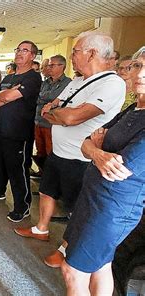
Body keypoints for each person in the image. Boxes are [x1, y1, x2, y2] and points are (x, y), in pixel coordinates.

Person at [15, 32, 126, 268]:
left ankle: (67, 248)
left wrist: (59, 114)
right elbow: (51, 108)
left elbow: (73, 116)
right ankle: (41, 228)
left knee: (76, 208)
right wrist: (59, 114)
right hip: (59, 153)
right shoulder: (77, 81)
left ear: (92, 53)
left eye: (75, 52)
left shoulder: (111, 83)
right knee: (47, 191)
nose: (72, 57)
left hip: (82, 158)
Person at [60, 47, 144, 295]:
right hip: (93, 198)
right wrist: (97, 152)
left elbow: (120, 168)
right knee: (101, 264)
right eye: (137, 65)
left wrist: (97, 149)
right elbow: (87, 141)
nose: (140, 73)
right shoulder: (134, 110)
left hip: (112, 208)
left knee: (72, 270)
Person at [0, 41, 42, 222]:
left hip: (18, 133)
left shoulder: (33, 78)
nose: (19, 53)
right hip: (1, 130)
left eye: (25, 50)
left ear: (32, 56)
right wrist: (3, 96)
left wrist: (3, 96)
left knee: (17, 170)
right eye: (18, 49)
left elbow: (3, 97)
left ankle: (22, 207)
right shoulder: (9, 78)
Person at [31, 55, 72, 176]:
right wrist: (46, 99)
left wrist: (45, 98)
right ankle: (43, 173)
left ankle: (52, 179)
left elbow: (54, 97)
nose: (49, 67)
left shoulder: (68, 83)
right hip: (39, 121)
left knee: (51, 152)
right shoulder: (46, 82)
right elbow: (39, 97)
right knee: (40, 151)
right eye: (48, 65)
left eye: (52, 65)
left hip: (52, 124)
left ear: (62, 66)